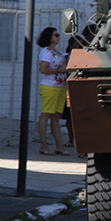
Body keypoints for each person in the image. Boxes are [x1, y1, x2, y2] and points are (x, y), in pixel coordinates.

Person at [37, 27, 69, 155]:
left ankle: (59, 146)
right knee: (46, 114)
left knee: (56, 116)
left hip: (59, 87)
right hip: (50, 87)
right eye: (56, 35)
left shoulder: (57, 52)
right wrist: (59, 70)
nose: (58, 37)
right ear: (49, 37)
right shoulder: (47, 52)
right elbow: (43, 69)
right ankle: (44, 145)